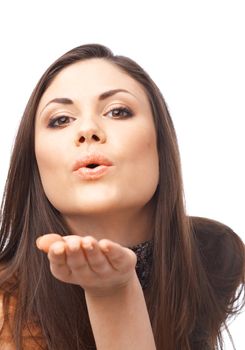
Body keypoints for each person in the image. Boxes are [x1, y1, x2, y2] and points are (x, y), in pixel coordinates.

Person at [0, 43, 244, 350]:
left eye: (118, 111)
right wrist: (112, 293)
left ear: (160, 143)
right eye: (61, 119)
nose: (88, 130)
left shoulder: (212, 253)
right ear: (34, 160)